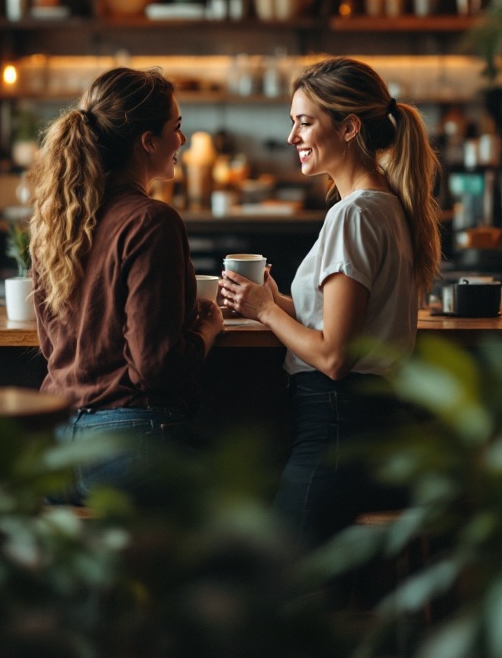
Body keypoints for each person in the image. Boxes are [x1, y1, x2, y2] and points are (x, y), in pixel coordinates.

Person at [219, 56, 442, 548]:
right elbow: (341, 326)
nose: (292, 136)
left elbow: (335, 357)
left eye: (304, 122)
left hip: (337, 424)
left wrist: (266, 310)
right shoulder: (386, 206)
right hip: (374, 424)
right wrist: (274, 299)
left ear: (349, 128)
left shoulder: (354, 215)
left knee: (275, 586)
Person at [29, 66, 224, 504]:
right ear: (148, 142)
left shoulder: (58, 222)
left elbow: (51, 346)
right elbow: (154, 367)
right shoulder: (151, 221)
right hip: (128, 448)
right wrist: (205, 332)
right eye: (176, 128)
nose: (183, 140)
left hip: (56, 447)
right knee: (248, 501)